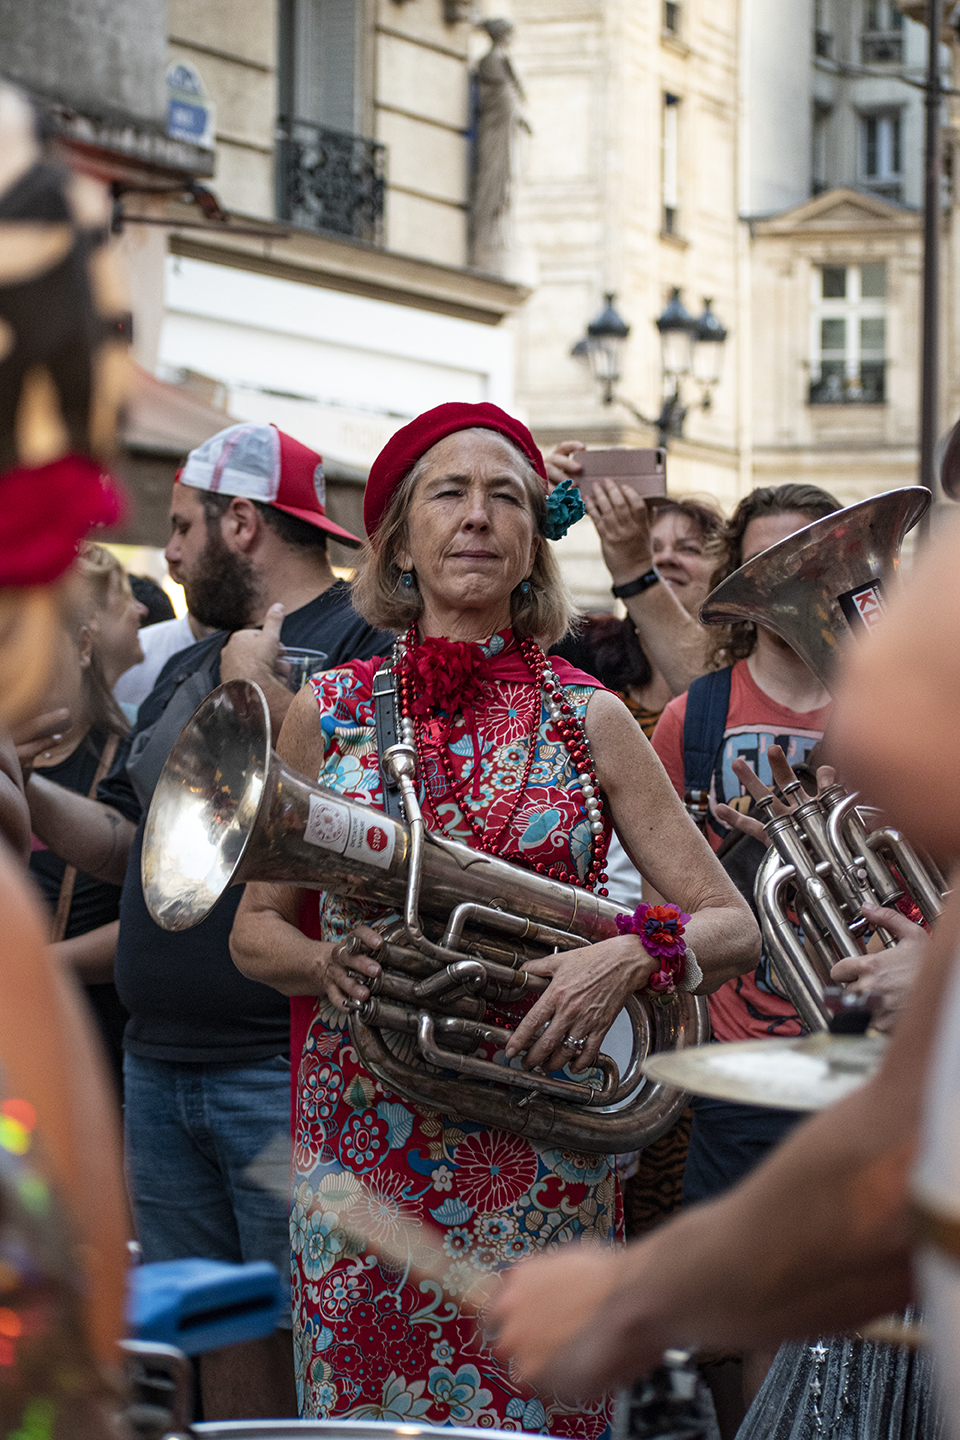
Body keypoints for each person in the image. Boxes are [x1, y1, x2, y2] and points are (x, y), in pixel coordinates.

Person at [228, 400, 759, 1431]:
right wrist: (320, 968)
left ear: (530, 550)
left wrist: (626, 958)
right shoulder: (324, 709)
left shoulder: (593, 713)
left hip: (542, 1158)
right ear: (401, 545)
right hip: (363, 1152)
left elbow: (728, 926)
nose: (477, 515)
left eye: (505, 496)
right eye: (450, 493)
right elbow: (254, 929)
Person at [23, 421, 390, 1420]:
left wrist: (249, 689)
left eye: (182, 527)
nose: (169, 552)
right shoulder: (192, 664)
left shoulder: (364, 653)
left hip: (275, 1059)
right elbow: (134, 850)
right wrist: (24, 787)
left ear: (241, 522)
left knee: (308, 1324)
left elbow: (317, 831)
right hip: (160, 1060)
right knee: (207, 1327)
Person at [24, 544, 139, 1095]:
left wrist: (35, 963)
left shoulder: (128, 760)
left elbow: (149, 920)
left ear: (84, 646)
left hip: (91, 1052)